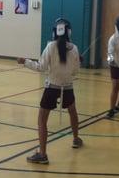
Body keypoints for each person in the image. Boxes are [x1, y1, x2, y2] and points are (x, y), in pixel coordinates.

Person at [17, 18, 83, 164]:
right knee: (73, 112)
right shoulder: (75, 49)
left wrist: (25, 61)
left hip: (52, 88)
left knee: (41, 120)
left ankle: (43, 154)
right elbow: (75, 72)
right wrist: (77, 61)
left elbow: (41, 67)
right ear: (69, 32)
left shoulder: (51, 46)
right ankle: (76, 139)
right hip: (67, 88)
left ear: (55, 32)